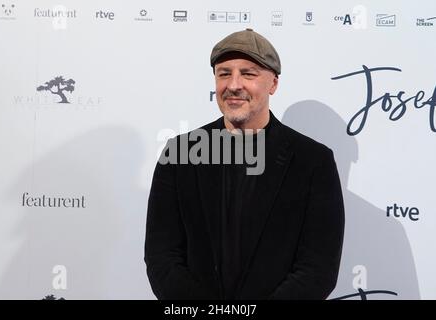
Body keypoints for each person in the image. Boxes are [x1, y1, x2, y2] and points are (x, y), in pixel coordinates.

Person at [144, 28, 345, 300]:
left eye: (248, 74)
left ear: (273, 83)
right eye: (224, 73)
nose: (234, 85)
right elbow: (162, 258)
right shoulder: (179, 154)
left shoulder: (312, 161)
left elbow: (317, 269)